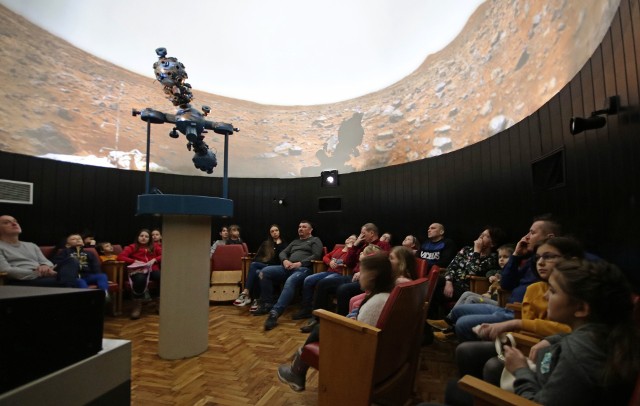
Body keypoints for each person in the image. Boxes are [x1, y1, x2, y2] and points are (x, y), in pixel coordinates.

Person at [445, 237, 584, 406]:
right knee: (466, 350)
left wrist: (520, 369)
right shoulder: (534, 288)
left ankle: (482, 395)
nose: (540, 262)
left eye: (548, 257)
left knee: (486, 367)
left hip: (527, 345)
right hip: (528, 337)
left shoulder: (579, 356)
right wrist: (550, 338)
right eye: (538, 257)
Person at [503, 259, 639, 404]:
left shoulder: (577, 354)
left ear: (581, 309)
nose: (545, 296)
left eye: (553, 291)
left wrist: (520, 370)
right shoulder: (611, 332)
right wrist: (553, 339)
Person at [277, 252, 396, 392]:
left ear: (372, 276)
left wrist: (344, 322)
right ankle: (297, 369)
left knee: (319, 328)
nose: (358, 275)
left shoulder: (375, 303)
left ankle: (297, 371)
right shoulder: (386, 294)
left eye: (361, 272)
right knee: (319, 328)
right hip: (378, 351)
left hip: (359, 355)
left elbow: (361, 339)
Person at [441, 216, 561, 341]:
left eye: (532, 232)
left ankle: (473, 348)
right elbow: (506, 284)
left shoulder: (558, 264)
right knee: (457, 311)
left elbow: (475, 272)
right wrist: (515, 255)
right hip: (505, 308)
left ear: (550, 238)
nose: (526, 237)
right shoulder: (532, 260)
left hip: (517, 312)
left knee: (463, 323)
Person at [299, 223, 391, 333]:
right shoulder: (362, 245)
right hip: (352, 276)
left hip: (368, 279)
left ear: (372, 233)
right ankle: (317, 320)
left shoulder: (383, 245)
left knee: (343, 289)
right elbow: (348, 262)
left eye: (363, 233)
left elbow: (382, 263)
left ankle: (341, 324)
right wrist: (355, 245)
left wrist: (362, 272)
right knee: (323, 283)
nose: (361, 235)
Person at [254, 220, 323, 331]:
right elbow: (283, 253)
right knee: (264, 272)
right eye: (299, 227)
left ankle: (275, 313)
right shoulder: (295, 242)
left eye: (304, 227)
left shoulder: (315, 240)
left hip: (303, 269)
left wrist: (299, 263)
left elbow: (317, 255)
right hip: (287, 267)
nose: (300, 228)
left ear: (310, 230)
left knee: (290, 281)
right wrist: (285, 260)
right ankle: (267, 303)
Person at [428, 243, 514, 332]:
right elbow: (491, 272)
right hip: (489, 297)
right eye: (500, 257)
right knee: (466, 294)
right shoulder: (498, 272)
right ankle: (447, 321)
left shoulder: (511, 274)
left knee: (471, 298)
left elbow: (506, 287)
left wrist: (498, 280)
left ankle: (452, 330)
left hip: (500, 302)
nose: (501, 260)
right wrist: (491, 276)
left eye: (505, 257)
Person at [428, 226, 505, 319]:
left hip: (465, 286)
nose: (481, 236)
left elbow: (472, 272)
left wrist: (477, 252)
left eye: (486, 236)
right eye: (481, 234)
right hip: (451, 280)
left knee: (435, 293)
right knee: (430, 282)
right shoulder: (466, 249)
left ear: (492, 244)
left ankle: (433, 321)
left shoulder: (492, 258)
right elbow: (452, 266)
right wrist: (448, 282)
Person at [0, 215, 81, 287]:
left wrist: (44, 265)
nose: (14, 224)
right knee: (74, 281)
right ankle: (66, 283)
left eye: (15, 221)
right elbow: (6, 270)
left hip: (44, 275)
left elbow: (47, 262)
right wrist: (38, 273)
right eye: (6, 223)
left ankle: (65, 282)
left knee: (72, 260)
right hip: (22, 280)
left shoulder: (31, 245)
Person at [291, 234, 357, 320]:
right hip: (328, 272)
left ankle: (321, 312)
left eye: (352, 239)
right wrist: (329, 262)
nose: (349, 239)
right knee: (308, 279)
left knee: (323, 282)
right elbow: (325, 257)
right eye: (348, 238)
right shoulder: (338, 249)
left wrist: (350, 249)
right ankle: (306, 309)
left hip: (340, 275)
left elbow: (348, 262)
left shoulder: (352, 252)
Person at [234, 224, 287, 310]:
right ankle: (248, 294)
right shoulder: (266, 244)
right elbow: (257, 257)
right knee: (255, 267)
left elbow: (282, 258)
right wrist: (264, 261)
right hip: (265, 265)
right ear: (270, 234)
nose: (274, 233)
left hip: (276, 268)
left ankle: (253, 297)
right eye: (272, 231)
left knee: (257, 270)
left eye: (276, 230)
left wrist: (277, 245)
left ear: (279, 231)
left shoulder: (284, 244)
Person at [117, 228, 162, 319]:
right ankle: (137, 305)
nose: (144, 238)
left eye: (146, 236)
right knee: (140, 279)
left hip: (152, 268)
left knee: (160, 277)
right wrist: (134, 261)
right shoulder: (132, 246)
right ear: (138, 237)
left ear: (149, 238)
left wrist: (155, 259)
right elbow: (120, 257)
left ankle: (159, 303)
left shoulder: (155, 246)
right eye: (141, 236)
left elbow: (164, 254)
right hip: (138, 270)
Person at [52, 233, 111, 300]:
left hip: (88, 276)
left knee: (102, 276)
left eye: (79, 238)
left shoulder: (89, 253)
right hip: (75, 277)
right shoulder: (65, 252)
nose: (77, 240)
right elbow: (57, 263)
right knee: (80, 282)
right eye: (73, 239)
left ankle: (104, 296)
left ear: (83, 243)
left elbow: (95, 266)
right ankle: (86, 300)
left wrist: (103, 279)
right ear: (67, 245)